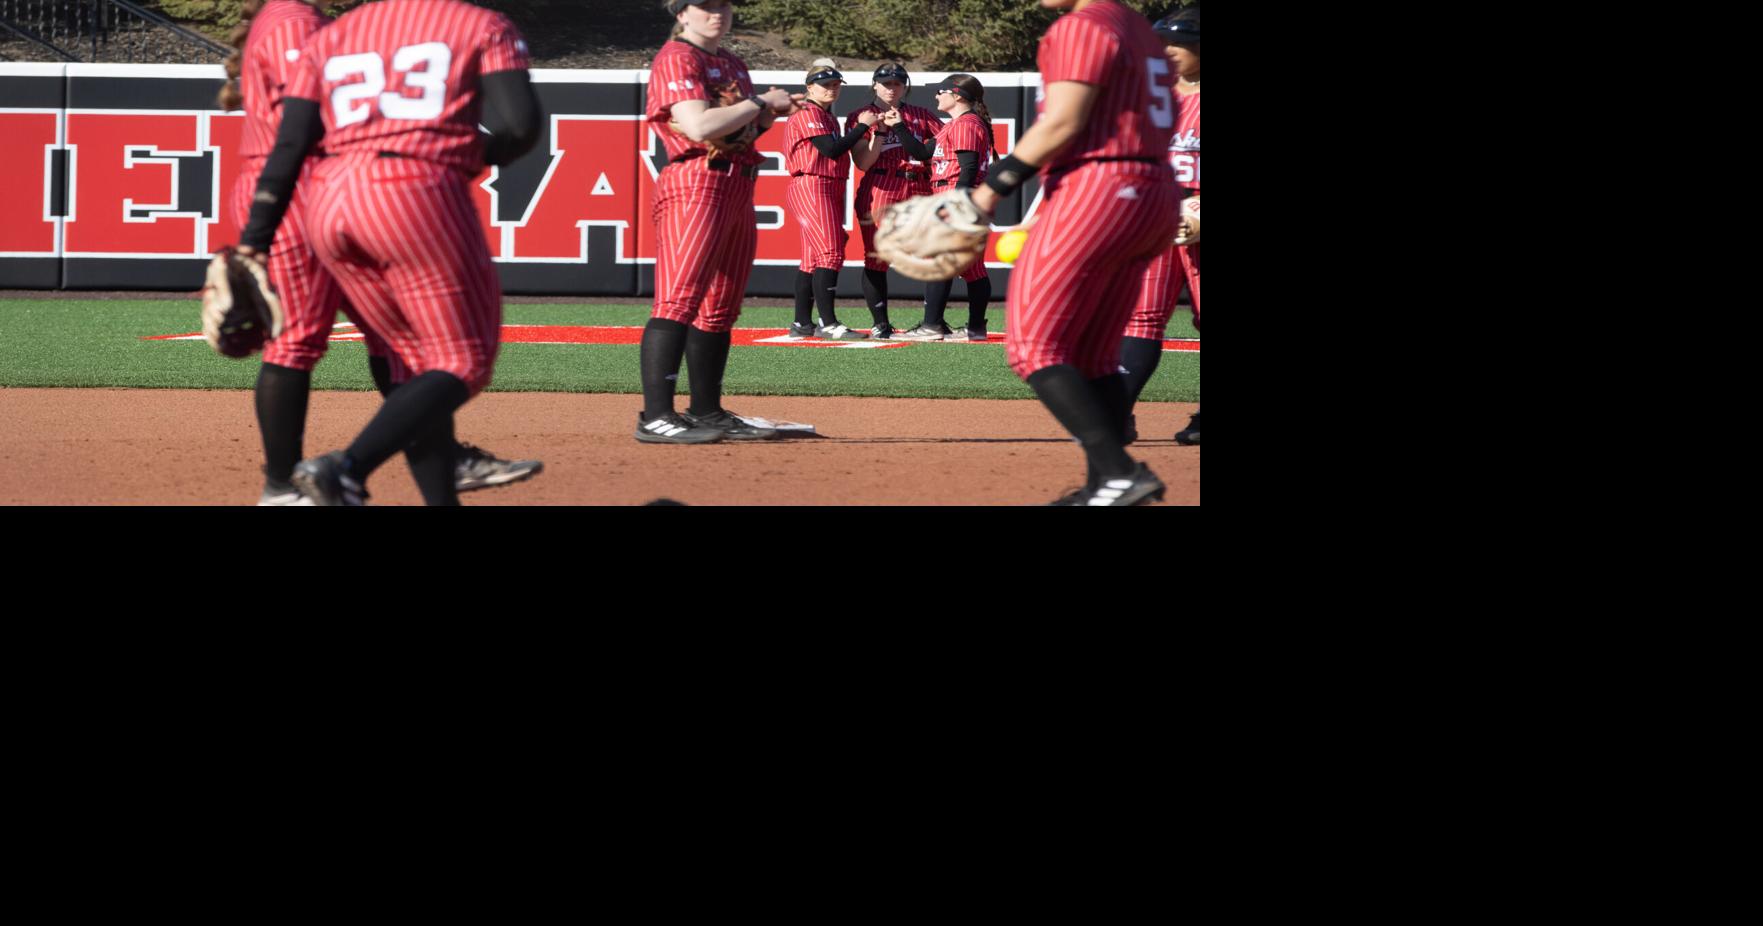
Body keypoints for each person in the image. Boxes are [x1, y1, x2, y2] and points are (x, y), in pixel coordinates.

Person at [221, 0, 541, 506]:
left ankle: (439, 477)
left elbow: (295, 134)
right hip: (382, 185)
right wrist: (451, 149)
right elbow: (522, 128)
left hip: (324, 192)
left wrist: (253, 239)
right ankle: (320, 477)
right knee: (460, 360)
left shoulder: (336, 32)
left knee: (406, 356)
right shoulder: (299, 22)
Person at [967, 0, 1179, 506]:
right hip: (1155, 190)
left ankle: (1118, 472)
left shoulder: (1082, 25)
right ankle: (1103, 484)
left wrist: (987, 191)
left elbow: (1062, 122)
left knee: (1034, 347)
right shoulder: (1140, 30)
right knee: (1094, 354)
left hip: (1100, 185)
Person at [635, 0, 799, 444]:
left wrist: (764, 116)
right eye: (704, 5)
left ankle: (707, 411)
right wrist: (761, 100)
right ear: (681, 13)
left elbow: (738, 134)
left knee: (721, 305)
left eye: (722, 4)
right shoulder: (678, 56)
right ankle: (655, 416)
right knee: (678, 300)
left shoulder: (731, 62)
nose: (716, 13)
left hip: (738, 182)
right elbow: (698, 125)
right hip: (695, 181)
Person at [1119, 7, 1200, 445]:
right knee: (1142, 316)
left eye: (1178, 44)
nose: (1166, 52)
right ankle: (1118, 412)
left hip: (1196, 218)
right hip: (1157, 218)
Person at [890, 73, 995, 342]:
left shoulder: (966, 123)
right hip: (957, 194)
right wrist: (900, 127)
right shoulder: (955, 125)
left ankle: (933, 326)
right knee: (970, 267)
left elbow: (969, 167)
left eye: (941, 91)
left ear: (957, 95)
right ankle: (973, 328)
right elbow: (923, 153)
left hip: (956, 193)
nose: (937, 95)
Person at [783, 60, 879, 341]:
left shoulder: (825, 115)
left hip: (827, 184)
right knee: (831, 253)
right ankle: (828, 323)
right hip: (812, 183)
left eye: (836, 84)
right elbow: (830, 148)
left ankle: (802, 323)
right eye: (825, 84)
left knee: (812, 259)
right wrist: (862, 128)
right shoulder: (808, 111)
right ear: (809, 87)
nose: (832, 89)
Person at [847, 63, 942, 340]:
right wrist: (877, 130)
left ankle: (932, 321)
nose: (891, 88)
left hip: (919, 183)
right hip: (882, 183)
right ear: (875, 84)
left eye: (897, 84)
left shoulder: (920, 114)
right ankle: (881, 323)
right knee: (878, 255)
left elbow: (938, 147)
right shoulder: (861, 116)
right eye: (886, 83)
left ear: (905, 86)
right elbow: (863, 162)